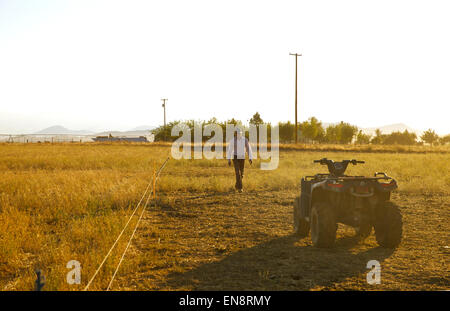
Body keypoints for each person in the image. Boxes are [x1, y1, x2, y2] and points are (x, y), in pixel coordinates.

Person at [226, 128, 253, 192]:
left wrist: (250, 158)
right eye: (237, 133)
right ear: (235, 134)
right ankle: (240, 188)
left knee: (242, 174)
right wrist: (229, 159)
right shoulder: (232, 140)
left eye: (239, 133)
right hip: (235, 157)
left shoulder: (245, 140)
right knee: (237, 172)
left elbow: (248, 149)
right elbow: (229, 150)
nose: (238, 135)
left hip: (242, 157)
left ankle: (236, 185)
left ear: (241, 133)